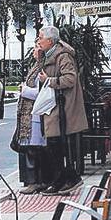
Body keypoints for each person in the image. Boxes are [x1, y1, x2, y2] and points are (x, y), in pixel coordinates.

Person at [37, 25, 88, 194]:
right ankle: (61, 179)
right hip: (54, 107)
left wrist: (50, 81)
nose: (38, 40)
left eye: (40, 37)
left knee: (57, 144)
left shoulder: (63, 56)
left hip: (63, 107)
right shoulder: (49, 55)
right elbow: (40, 75)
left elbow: (70, 79)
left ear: (50, 41)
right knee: (54, 144)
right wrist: (38, 59)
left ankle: (67, 178)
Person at [15, 44, 52, 194]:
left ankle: (36, 182)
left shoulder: (42, 68)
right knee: (32, 149)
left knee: (34, 150)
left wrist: (24, 90)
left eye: (37, 47)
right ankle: (36, 181)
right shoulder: (36, 66)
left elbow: (41, 92)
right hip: (30, 115)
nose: (34, 50)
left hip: (35, 114)